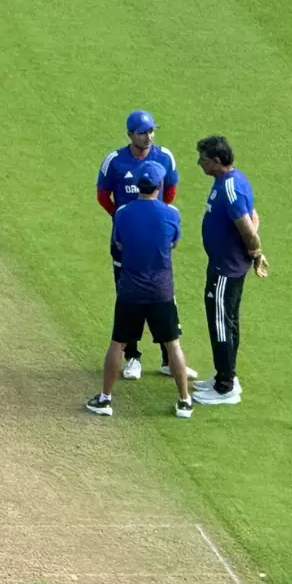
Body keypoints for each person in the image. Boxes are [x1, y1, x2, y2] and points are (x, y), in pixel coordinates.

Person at [86, 169, 194, 419]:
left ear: (138, 185)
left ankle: (105, 399)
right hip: (161, 290)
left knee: (118, 343)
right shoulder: (171, 213)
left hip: (131, 290)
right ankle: (184, 401)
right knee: (172, 343)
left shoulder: (123, 213)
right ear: (159, 184)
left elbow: (120, 243)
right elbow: (174, 243)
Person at [96, 110, 192, 381]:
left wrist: (155, 219)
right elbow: (103, 196)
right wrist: (123, 219)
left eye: (151, 131)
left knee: (164, 295)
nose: (148, 137)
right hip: (125, 242)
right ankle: (133, 357)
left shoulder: (165, 157)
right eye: (141, 132)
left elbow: (170, 191)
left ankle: (167, 359)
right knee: (128, 298)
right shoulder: (114, 161)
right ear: (130, 134)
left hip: (155, 244)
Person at [191, 135, 269, 406]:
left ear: (215, 161)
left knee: (222, 325)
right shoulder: (231, 181)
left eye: (202, 158)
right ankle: (224, 377)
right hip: (224, 265)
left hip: (226, 270)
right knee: (227, 321)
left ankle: (225, 387)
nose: (198, 162)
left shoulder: (230, 189)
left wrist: (256, 253)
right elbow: (254, 215)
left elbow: (248, 227)